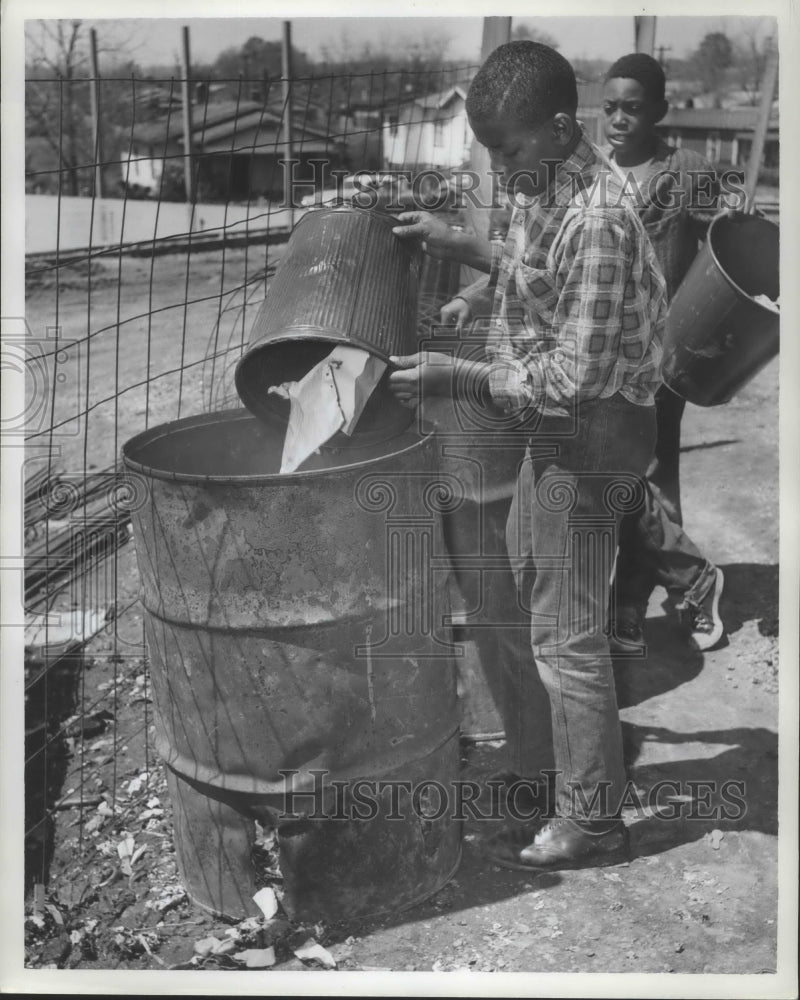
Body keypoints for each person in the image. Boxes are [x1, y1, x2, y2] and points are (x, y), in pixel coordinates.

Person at [388, 40, 667, 870]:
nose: (500, 170)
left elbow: (575, 376)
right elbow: (531, 270)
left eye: (507, 151)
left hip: (594, 430)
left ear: (554, 129)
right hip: (559, 426)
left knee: (565, 633)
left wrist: (457, 373)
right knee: (529, 590)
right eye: (492, 154)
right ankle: (555, 773)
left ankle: (594, 823)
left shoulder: (601, 218)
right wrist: (473, 269)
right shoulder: (547, 182)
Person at [602, 53, 725, 654]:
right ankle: (685, 580)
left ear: (659, 111)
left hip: (664, 350)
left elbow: (723, 242)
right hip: (599, 350)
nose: (619, 120)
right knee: (622, 476)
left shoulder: (689, 171)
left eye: (632, 108)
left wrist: (739, 217)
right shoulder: (589, 175)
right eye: (610, 108)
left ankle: (632, 600)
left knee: (648, 473)